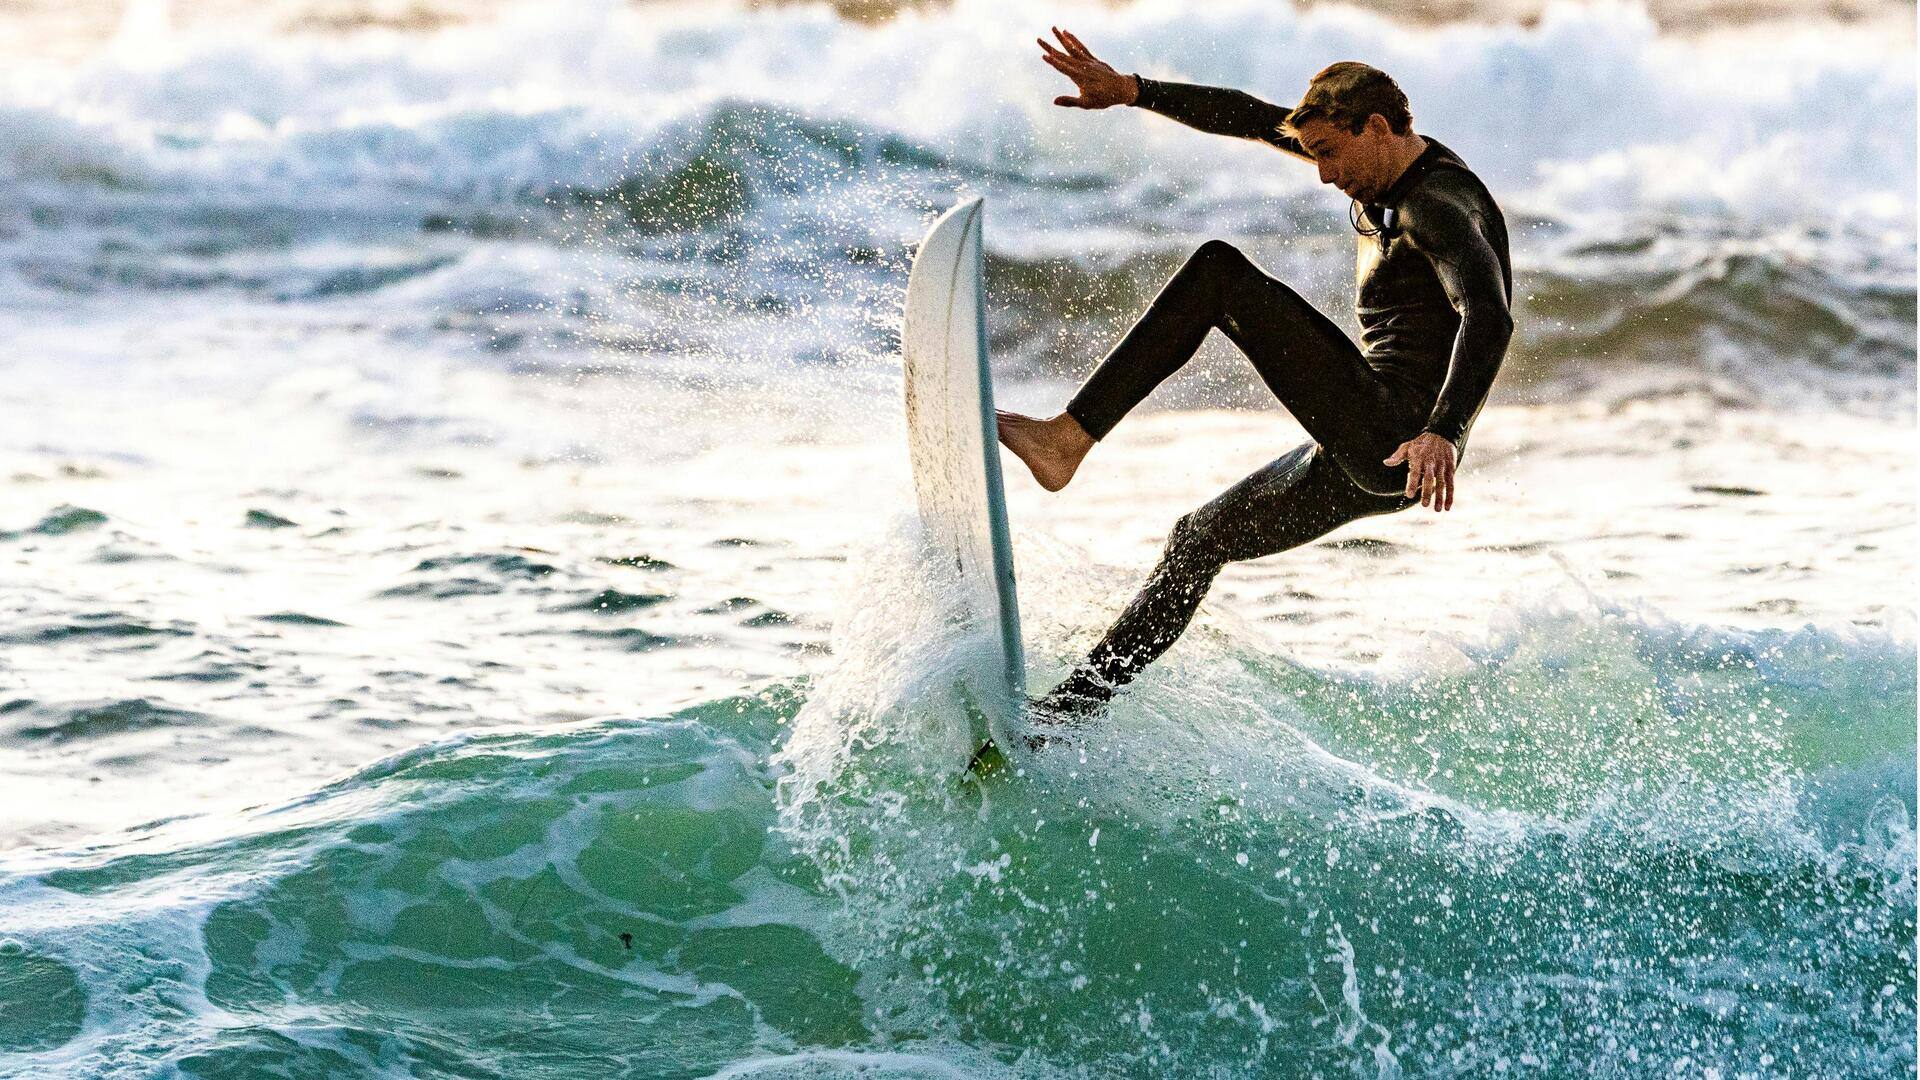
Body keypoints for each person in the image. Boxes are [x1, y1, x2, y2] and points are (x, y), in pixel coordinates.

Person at [1000, 28, 1514, 730]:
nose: (1324, 176)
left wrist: (1443, 433)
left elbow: (1488, 314)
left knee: (1219, 275)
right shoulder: (1370, 165)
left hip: (1400, 435)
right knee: (1197, 539)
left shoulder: (1438, 207)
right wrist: (1130, 91)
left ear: (1376, 127)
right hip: (1364, 445)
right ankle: (1060, 719)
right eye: (1312, 156)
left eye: (1330, 155)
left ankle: (1067, 439)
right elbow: (1243, 113)